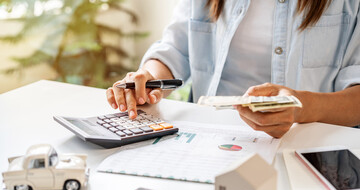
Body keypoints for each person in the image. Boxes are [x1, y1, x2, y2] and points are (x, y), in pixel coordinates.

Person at [106, 0, 360, 138]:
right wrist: (149, 79)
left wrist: (301, 108)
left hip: (308, 145)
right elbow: (175, 48)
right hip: (208, 138)